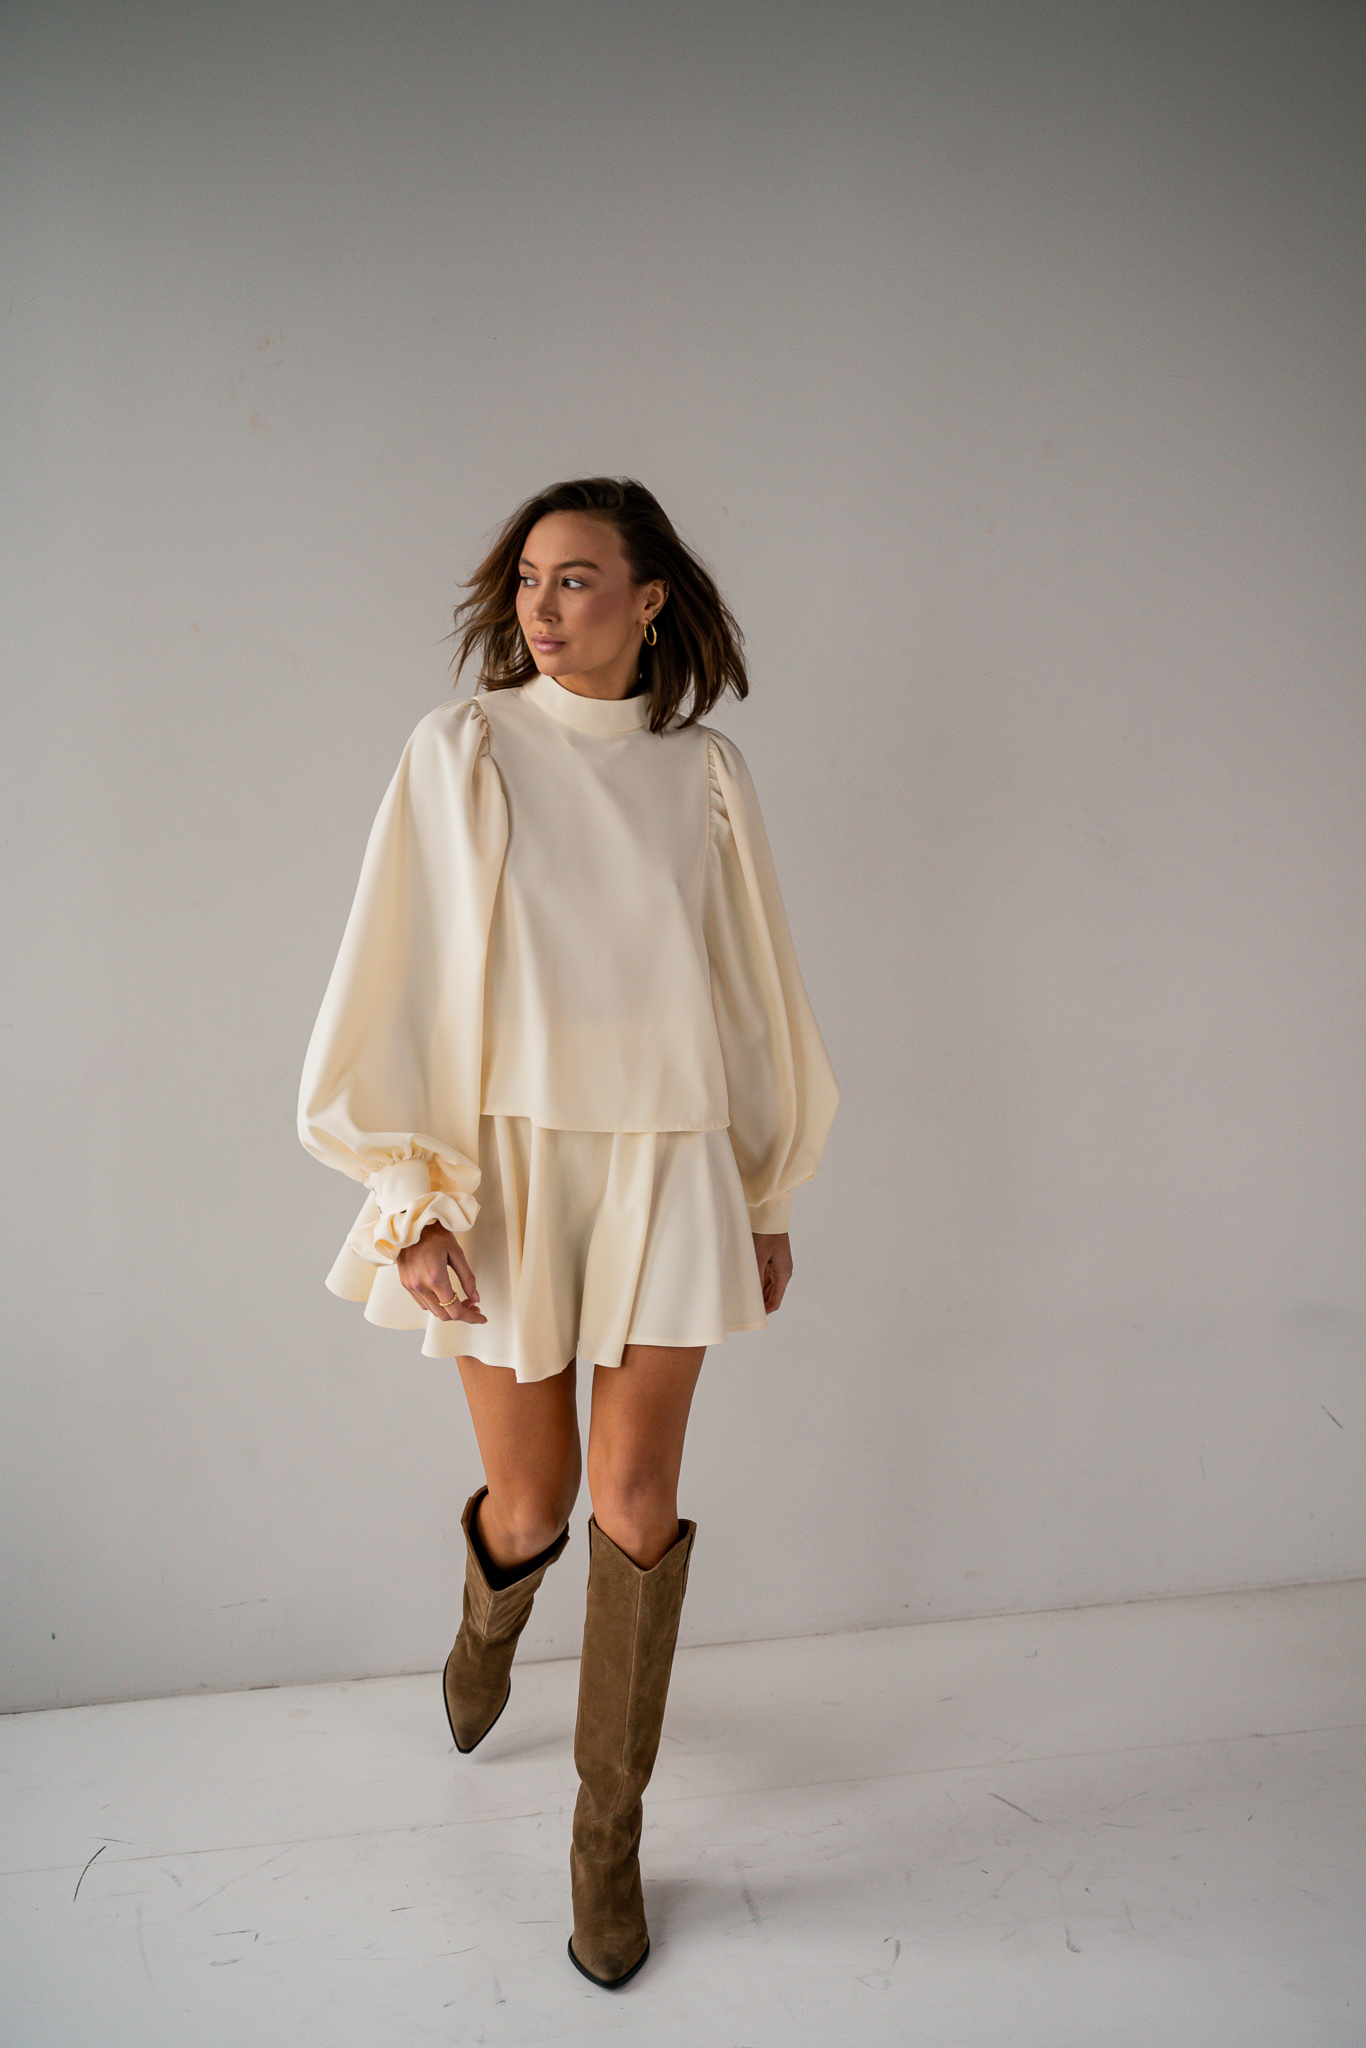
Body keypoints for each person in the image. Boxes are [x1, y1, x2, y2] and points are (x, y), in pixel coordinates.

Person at [297, 476, 839, 1988]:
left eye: (578, 577)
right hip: (508, 1167)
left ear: (649, 597)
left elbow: (749, 990)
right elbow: (394, 969)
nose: (542, 605)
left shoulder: (704, 774)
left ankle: (608, 1843)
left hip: (669, 1160)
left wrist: (761, 1190)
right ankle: (486, 1632)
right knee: (534, 1502)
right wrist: (407, 1200)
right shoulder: (463, 749)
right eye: (529, 578)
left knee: (637, 1494)